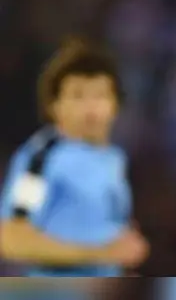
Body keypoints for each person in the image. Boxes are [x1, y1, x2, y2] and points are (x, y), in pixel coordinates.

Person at [0, 39, 149, 276]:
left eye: (100, 95)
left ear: (116, 105)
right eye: (78, 96)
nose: (91, 108)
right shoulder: (42, 157)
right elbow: (11, 238)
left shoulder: (113, 158)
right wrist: (102, 253)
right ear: (53, 105)